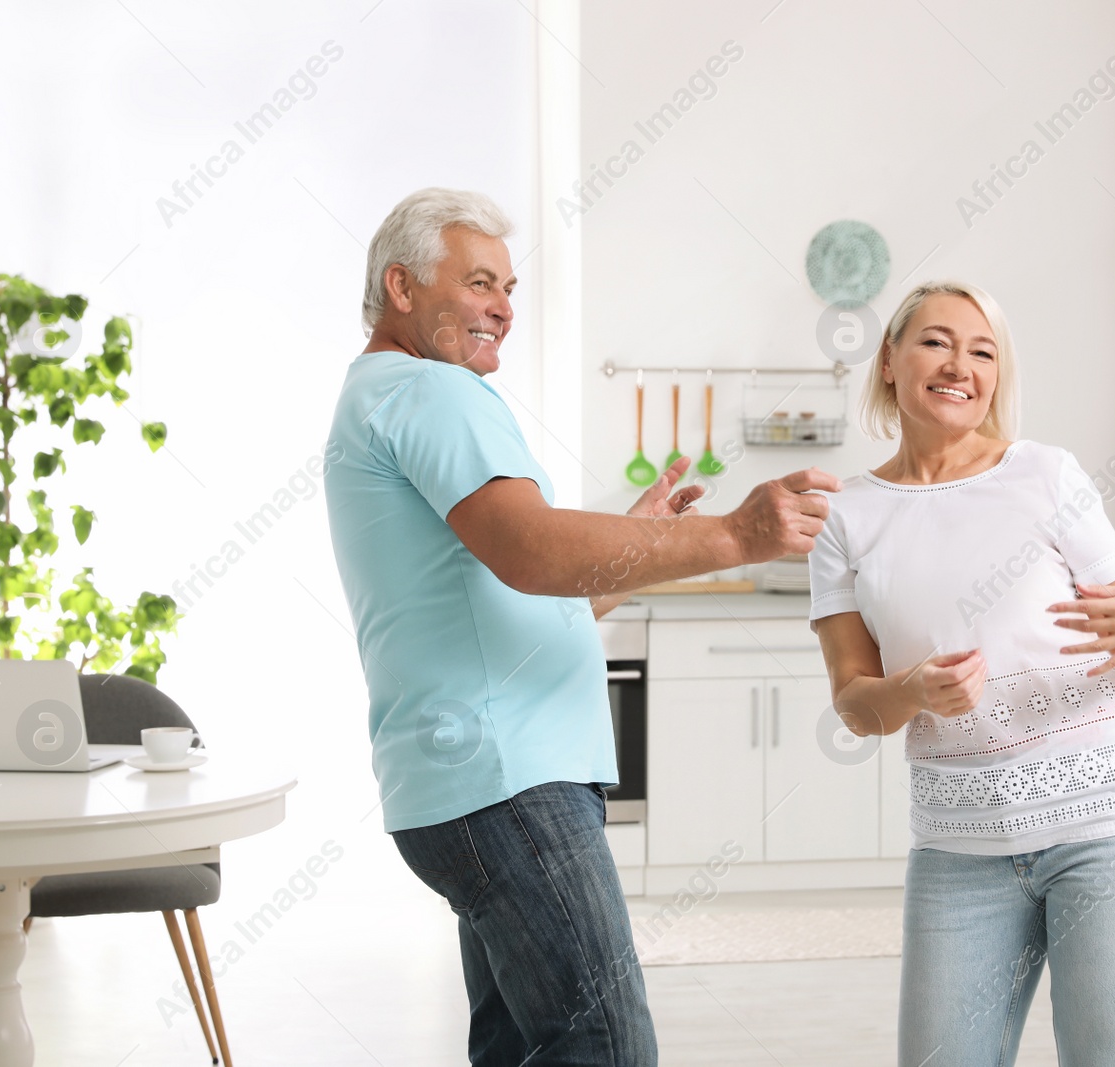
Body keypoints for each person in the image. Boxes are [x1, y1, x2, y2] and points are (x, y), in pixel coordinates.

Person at [323, 187, 839, 1066]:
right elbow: (530, 552)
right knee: (605, 1047)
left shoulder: (379, 398)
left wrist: (634, 539)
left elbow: (515, 595)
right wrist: (733, 535)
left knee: (525, 1051)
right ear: (402, 287)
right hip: (509, 782)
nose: (504, 308)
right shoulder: (432, 392)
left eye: (512, 289)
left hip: (471, 784)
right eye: (481, 281)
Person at [809, 280, 1115, 1067]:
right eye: (936, 341)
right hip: (961, 851)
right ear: (889, 360)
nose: (961, 364)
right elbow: (857, 706)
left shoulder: (1046, 475)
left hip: (1113, 829)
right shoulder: (846, 517)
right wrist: (913, 690)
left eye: (982, 350)